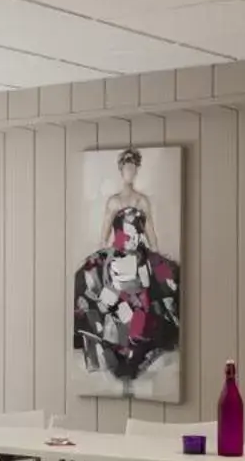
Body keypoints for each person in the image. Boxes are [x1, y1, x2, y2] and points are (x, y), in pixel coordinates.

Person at [73, 148, 180, 395]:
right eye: (126, 168)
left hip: (138, 252)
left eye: (133, 168)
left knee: (155, 288)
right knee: (97, 288)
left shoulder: (142, 201)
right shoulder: (113, 201)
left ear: (136, 170)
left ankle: (138, 345)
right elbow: (104, 233)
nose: (130, 172)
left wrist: (155, 251)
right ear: (122, 171)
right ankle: (111, 346)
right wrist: (103, 253)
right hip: (118, 252)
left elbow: (150, 229)